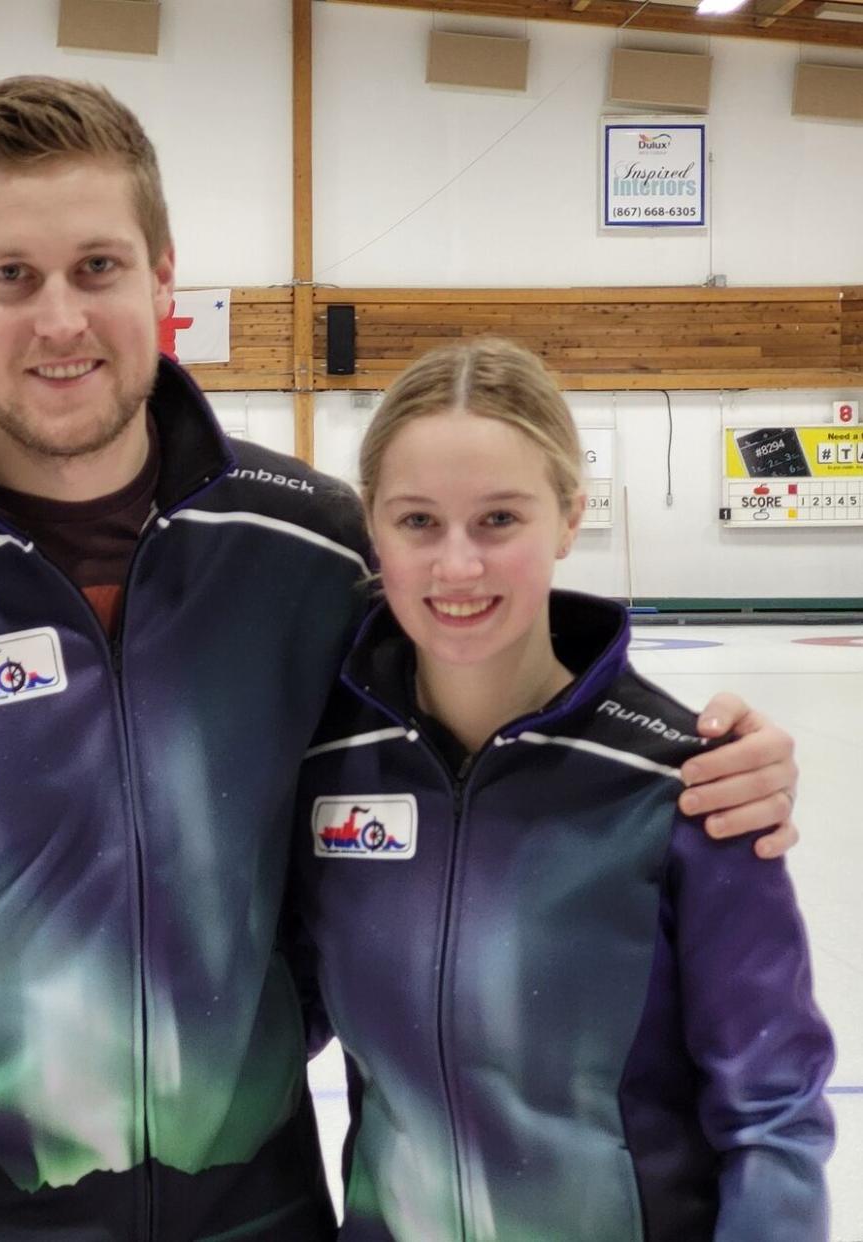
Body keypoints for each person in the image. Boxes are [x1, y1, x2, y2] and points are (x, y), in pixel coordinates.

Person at [0, 76, 799, 1242]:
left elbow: (492, 733)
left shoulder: (313, 554)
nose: (61, 320)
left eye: (98, 268)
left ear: (163, 282)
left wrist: (704, 762)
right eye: (13, 277)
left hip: (267, 1215)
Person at [292, 339, 834, 1241]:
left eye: (499, 519)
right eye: (418, 522)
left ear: (570, 518)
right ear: (373, 531)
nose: (456, 566)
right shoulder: (326, 774)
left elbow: (773, 1117)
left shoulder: (687, 787)